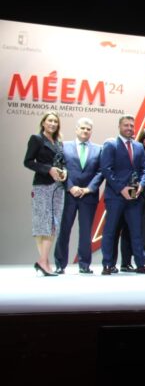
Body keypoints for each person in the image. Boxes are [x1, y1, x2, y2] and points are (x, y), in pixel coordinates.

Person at [100, 115, 145, 275]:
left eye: (131, 125)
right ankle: (107, 264)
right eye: (126, 125)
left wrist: (142, 186)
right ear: (119, 127)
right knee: (110, 231)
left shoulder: (138, 147)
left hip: (135, 197)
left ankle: (141, 264)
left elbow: (144, 170)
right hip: (115, 196)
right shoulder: (110, 144)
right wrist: (121, 188)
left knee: (136, 231)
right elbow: (106, 170)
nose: (129, 128)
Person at [52, 117, 102, 274]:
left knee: (86, 231)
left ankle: (84, 264)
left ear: (91, 131)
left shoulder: (98, 149)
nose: (85, 131)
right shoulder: (63, 146)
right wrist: (70, 187)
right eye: (82, 128)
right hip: (69, 194)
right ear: (76, 129)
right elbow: (59, 167)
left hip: (88, 196)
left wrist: (89, 189)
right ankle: (60, 264)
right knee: (64, 229)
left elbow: (101, 171)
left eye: (88, 129)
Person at [24, 111, 66, 277]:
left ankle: (44, 261)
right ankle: (43, 261)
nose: (53, 124)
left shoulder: (59, 142)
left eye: (55, 121)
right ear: (43, 123)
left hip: (58, 187)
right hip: (42, 186)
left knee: (53, 223)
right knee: (43, 224)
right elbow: (27, 161)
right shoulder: (36, 139)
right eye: (50, 121)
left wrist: (64, 172)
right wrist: (48, 169)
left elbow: (62, 163)